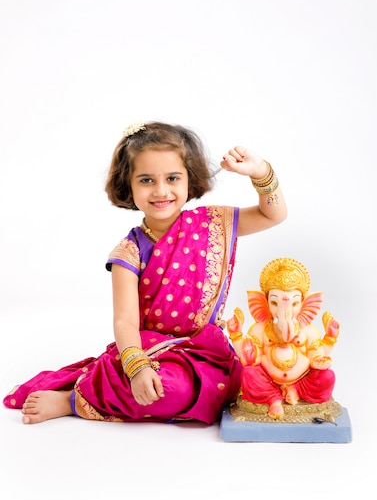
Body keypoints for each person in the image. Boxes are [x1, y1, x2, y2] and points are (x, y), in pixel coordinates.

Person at [3, 120, 287, 425]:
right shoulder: (129, 252)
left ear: (190, 180)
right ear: (129, 184)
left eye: (173, 178)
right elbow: (125, 321)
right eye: (147, 180)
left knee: (247, 383)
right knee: (167, 389)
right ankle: (72, 400)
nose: (161, 191)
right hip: (148, 353)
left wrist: (261, 172)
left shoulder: (212, 224)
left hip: (206, 352)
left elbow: (273, 214)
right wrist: (138, 368)